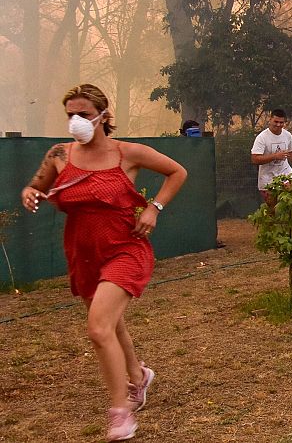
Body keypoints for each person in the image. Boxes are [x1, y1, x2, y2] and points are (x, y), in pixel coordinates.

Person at [20, 84, 187, 441]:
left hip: (125, 249)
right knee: (112, 325)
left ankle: (120, 413)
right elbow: (36, 186)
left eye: (83, 113)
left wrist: (154, 209)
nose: (76, 121)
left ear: (103, 115)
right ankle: (140, 377)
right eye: (70, 115)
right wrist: (31, 193)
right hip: (83, 254)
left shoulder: (128, 153)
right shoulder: (59, 154)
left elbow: (177, 172)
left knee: (98, 328)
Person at [250, 109, 292, 206]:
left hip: (285, 174)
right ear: (270, 120)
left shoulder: (287, 135)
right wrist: (275, 156)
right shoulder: (262, 137)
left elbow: (291, 151)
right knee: (273, 210)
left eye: (281, 122)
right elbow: (254, 159)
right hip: (268, 179)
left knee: (291, 204)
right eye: (276, 121)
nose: (278, 125)